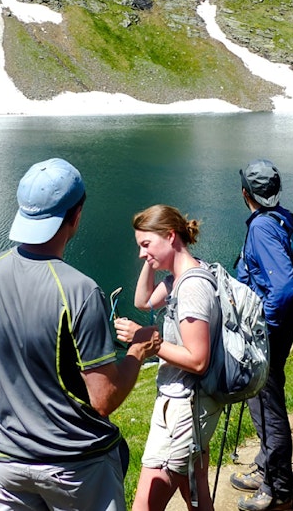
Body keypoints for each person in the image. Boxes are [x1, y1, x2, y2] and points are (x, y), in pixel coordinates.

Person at [0, 158, 161, 511]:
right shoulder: (80, 291)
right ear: (76, 215)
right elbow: (104, 400)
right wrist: (138, 351)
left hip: (7, 461)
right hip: (76, 465)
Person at [113, 204, 223, 511]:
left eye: (146, 245)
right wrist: (152, 258)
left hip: (183, 407)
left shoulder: (191, 288)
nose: (140, 253)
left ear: (171, 236)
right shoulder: (179, 277)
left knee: (144, 505)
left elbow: (198, 359)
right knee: (196, 491)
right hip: (191, 404)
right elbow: (143, 301)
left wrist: (148, 341)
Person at [228, 159, 293, 511]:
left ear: (246, 193)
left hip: (267, 333)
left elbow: (283, 288)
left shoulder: (262, 228)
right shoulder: (284, 217)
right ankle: (265, 465)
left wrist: (261, 328)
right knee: (264, 399)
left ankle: (279, 489)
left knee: (266, 404)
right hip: (279, 330)